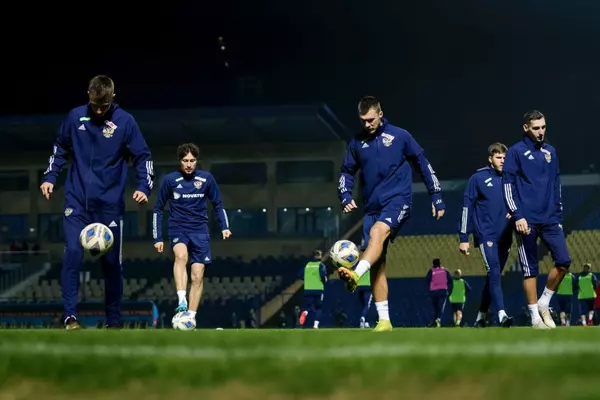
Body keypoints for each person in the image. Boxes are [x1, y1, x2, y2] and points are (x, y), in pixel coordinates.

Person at [40, 75, 154, 330]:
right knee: (72, 254)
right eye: (95, 106)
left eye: (104, 106)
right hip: (77, 202)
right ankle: (70, 318)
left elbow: (143, 156)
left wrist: (144, 186)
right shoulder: (75, 117)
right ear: (88, 96)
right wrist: (50, 177)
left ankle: (113, 322)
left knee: (112, 265)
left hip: (109, 206)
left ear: (113, 97)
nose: (100, 111)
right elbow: (60, 148)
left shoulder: (125, 121)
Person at [336, 96, 445, 332]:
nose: (367, 124)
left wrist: (436, 194)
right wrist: (344, 195)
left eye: (371, 119)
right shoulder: (357, 143)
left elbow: (422, 163)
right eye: (363, 121)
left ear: (380, 114)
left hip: (398, 200)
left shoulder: (400, 136)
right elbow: (346, 172)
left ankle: (356, 275)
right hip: (372, 207)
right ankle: (384, 320)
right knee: (377, 263)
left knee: (378, 232)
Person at [502, 110, 571, 329]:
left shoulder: (551, 151)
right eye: (536, 128)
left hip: (550, 219)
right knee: (530, 269)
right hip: (527, 220)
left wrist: (558, 215)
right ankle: (534, 318)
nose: (541, 132)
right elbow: (508, 185)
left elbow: (556, 184)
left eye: (543, 127)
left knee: (564, 261)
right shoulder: (515, 152)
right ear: (526, 128)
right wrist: (517, 215)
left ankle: (544, 302)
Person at [152, 143, 231, 321]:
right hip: (178, 228)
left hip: (200, 230)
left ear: (197, 161)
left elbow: (218, 204)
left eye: (192, 160)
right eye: (186, 160)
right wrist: (157, 237)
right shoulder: (170, 180)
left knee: (198, 276)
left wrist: (225, 226)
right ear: (180, 161)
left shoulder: (206, 179)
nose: (189, 164)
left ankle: (190, 318)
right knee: (181, 256)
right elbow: (158, 209)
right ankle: (182, 299)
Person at [459, 143, 514, 328]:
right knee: (494, 272)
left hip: (506, 236)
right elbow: (467, 207)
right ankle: (502, 314)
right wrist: (464, 237)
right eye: (498, 157)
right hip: (486, 235)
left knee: (493, 276)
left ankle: (480, 317)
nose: (502, 161)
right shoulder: (478, 178)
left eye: (505, 157)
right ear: (490, 159)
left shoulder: (512, 177)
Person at [298, 249, 328, 329]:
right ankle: (315, 325)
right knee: (318, 307)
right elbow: (323, 276)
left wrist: (308, 279)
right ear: (320, 256)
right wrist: (325, 280)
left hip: (308, 289)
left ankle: (305, 312)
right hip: (318, 289)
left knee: (308, 305)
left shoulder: (307, 265)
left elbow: (300, 275)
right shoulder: (321, 265)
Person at [425, 259, 453, 327]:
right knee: (441, 306)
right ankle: (438, 319)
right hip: (443, 291)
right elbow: (450, 281)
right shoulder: (445, 270)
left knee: (436, 308)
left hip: (434, 291)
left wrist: (431, 286)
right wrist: (449, 290)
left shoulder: (431, 271)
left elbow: (427, 280)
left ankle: (434, 322)